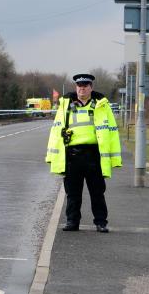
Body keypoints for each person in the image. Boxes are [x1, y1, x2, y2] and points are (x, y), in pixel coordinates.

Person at [46, 73, 122, 233]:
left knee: (97, 192)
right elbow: (56, 129)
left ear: (91, 88)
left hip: (94, 155)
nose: (82, 89)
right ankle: (72, 222)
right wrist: (52, 155)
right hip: (72, 155)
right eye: (79, 86)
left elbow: (112, 132)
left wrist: (115, 158)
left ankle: (101, 222)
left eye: (85, 86)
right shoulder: (65, 105)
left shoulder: (101, 105)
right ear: (76, 87)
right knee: (72, 193)